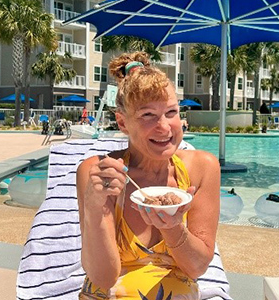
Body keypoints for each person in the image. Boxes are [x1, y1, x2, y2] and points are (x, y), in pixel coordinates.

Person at [76, 51, 221, 299]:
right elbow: (102, 278)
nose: (164, 127)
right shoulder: (101, 174)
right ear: (122, 123)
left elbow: (196, 267)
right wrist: (93, 205)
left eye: (171, 113)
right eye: (147, 115)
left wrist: (174, 228)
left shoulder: (201, 168)